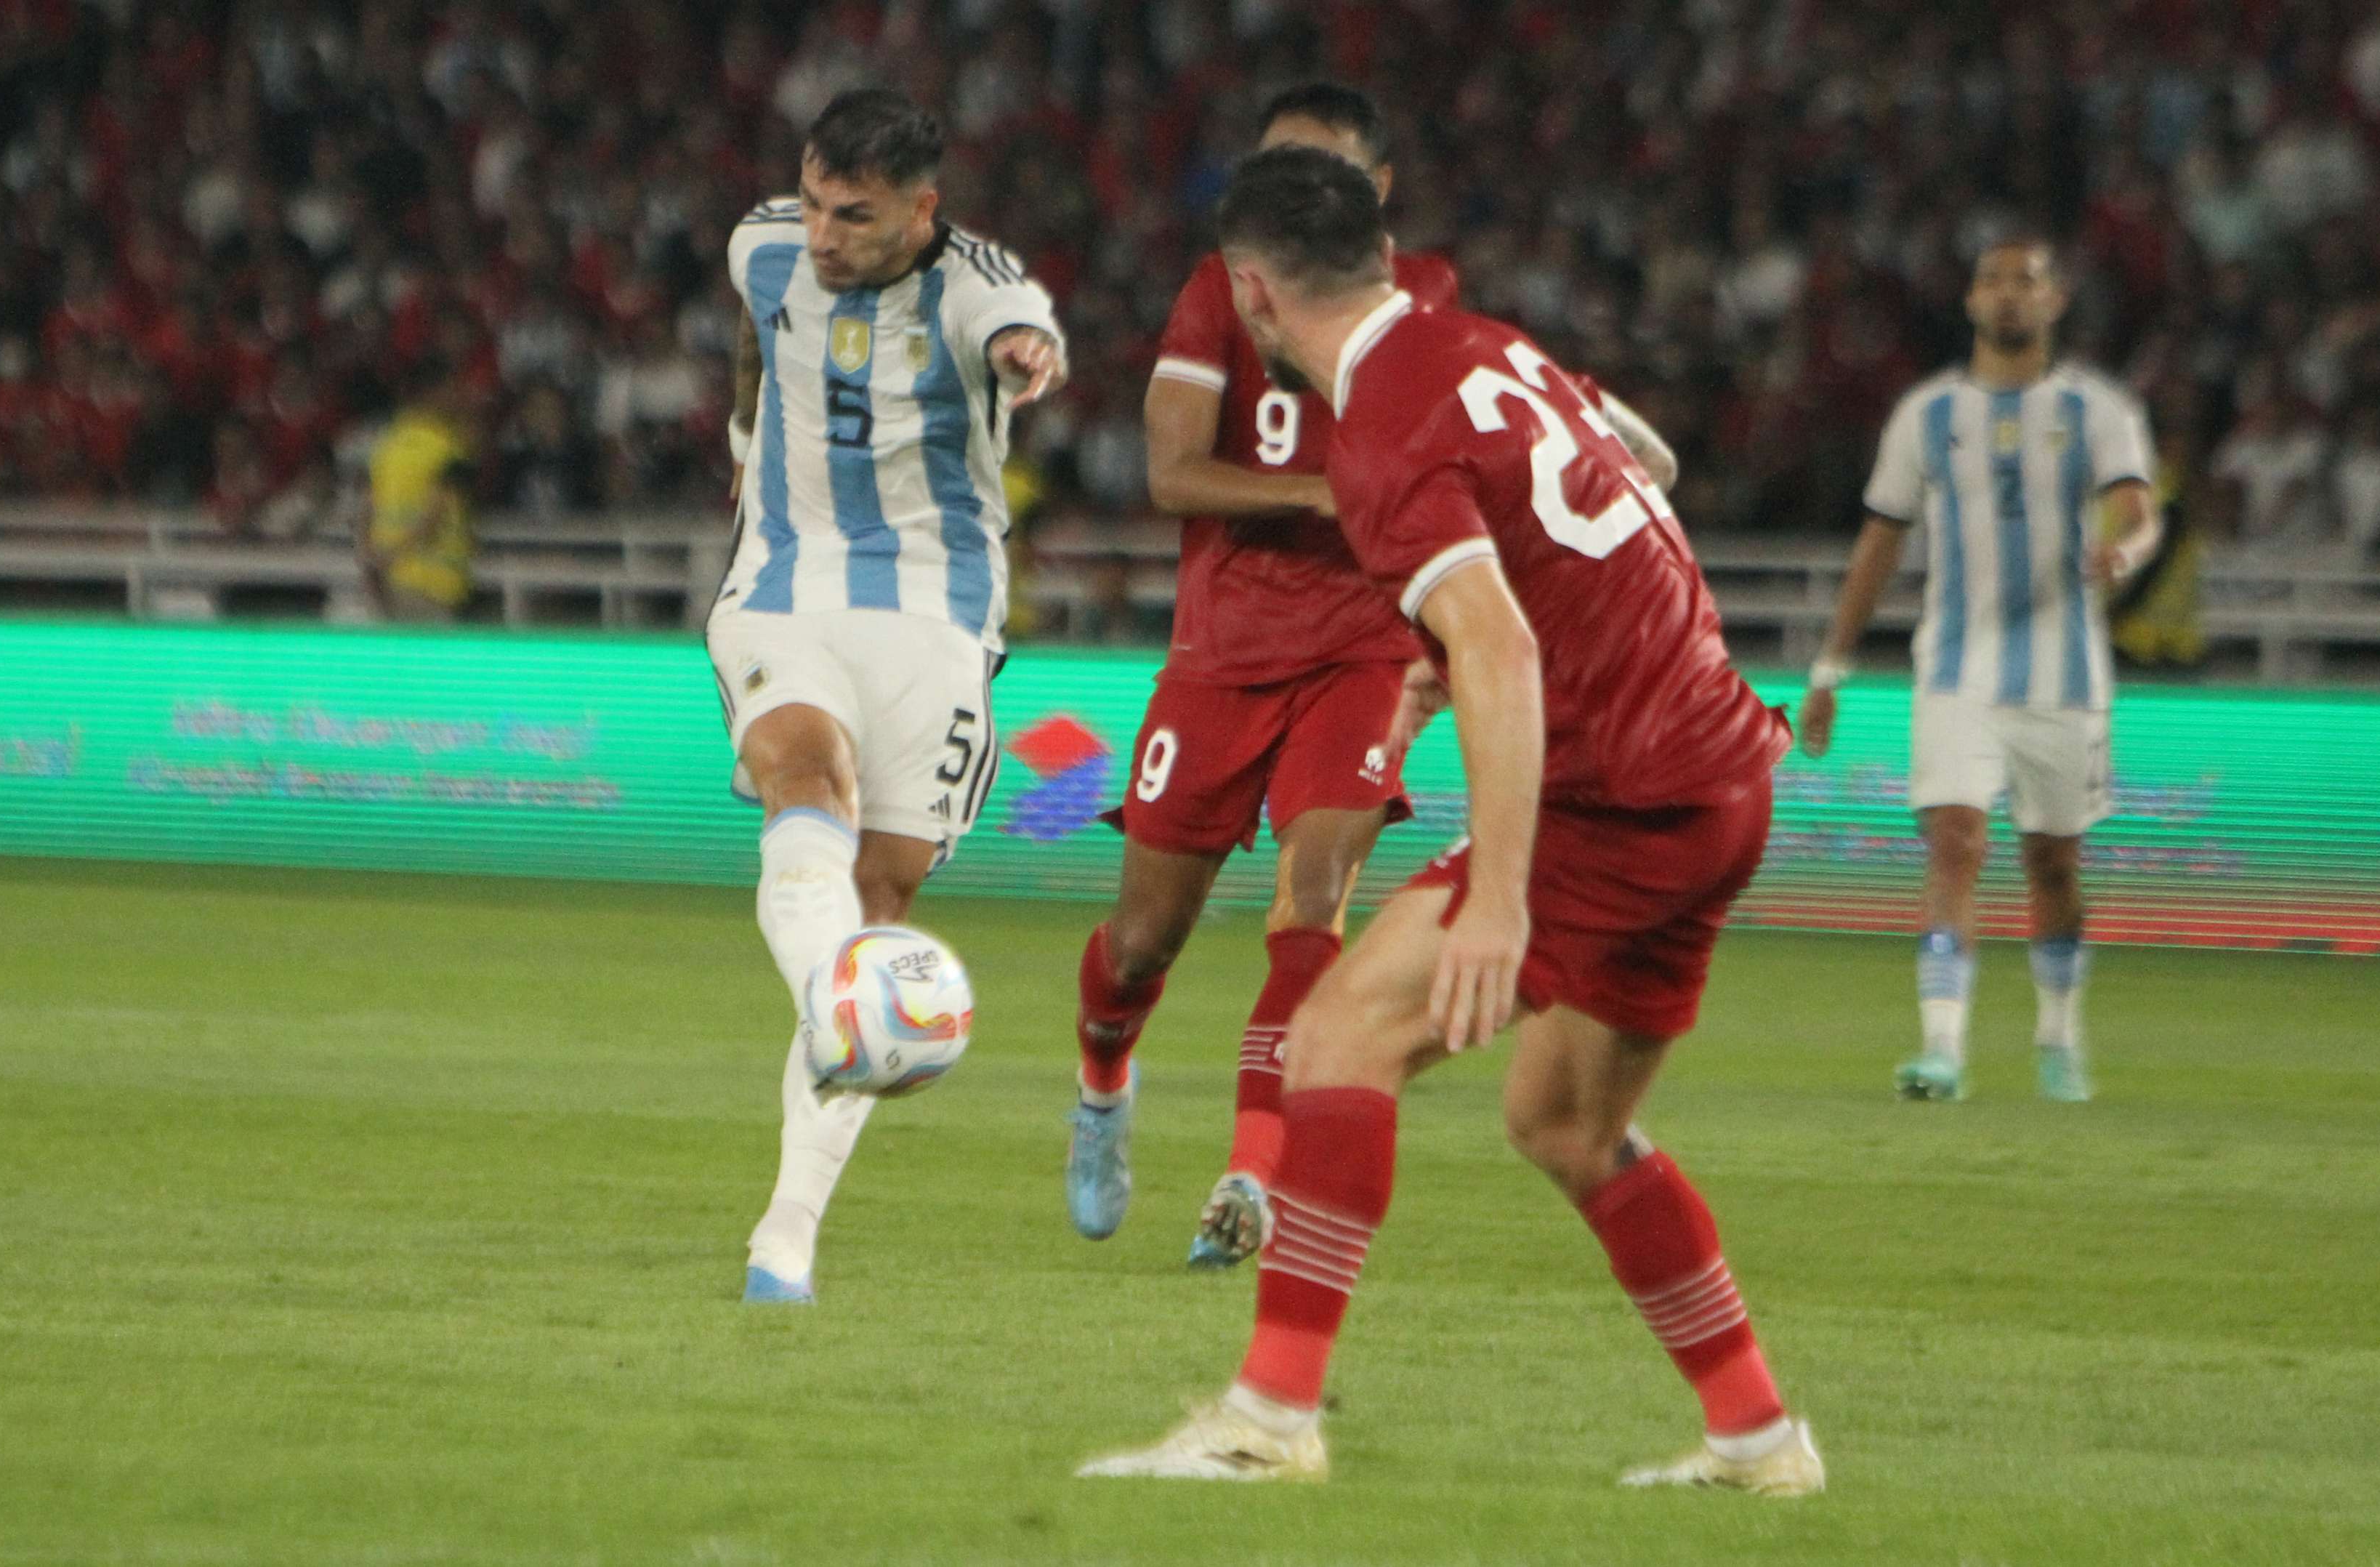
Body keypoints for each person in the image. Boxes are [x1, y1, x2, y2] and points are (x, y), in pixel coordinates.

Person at [1081, 148, 1819, 1494]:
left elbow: (1504, 649)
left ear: (1251, 292)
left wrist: (1500, 894)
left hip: (1622, 798)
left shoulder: (1381, 432)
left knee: (1336, 1034)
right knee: (1563, 1122)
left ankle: (1268, 1420)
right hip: (1722, 772)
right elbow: (1636, 478)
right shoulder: (1483, 346)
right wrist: (1470, 648)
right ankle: (1762, 1438)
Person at [1060, 84, 1461, 1262]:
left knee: (1313, 901)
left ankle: (1252, 1175)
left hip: (1364, 645)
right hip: (1222, 653)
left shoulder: (1420, 293)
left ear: (1375, 191)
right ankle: (1102, 1082)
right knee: (1140, 947)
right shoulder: (1214, 291)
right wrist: (1328, 493)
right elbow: (1175, 475)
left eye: (1319, 171)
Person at [713, 88, 1066, 1305]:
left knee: (877, 897)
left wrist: (1029, 356)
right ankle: (839, 1005)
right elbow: (755, 341)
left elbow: (1023, 327)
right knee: (801, 780)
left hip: (938, 616)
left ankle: (784, 1234)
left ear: (922, 209)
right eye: (813, 202)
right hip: (784, 591)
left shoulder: (977, 284)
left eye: (853, 217)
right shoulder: (762, 247)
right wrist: (740, 442)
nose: (821, 236)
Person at [1796, 238, 2162, 1104]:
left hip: (2063, 677)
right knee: (1956, 841)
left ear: (2055, 301)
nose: (2009, 297)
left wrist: (2126, 553)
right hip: (1956, 669)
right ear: (1970, 300)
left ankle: (2058, 1035)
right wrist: (1830, 667)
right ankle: (1942, 1050)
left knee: (2054, 865)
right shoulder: (1926, 415)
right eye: (1994, 281)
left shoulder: (2096, 409)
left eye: (2026, 282)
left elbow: (2138, 512)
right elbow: (1879, 541)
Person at [363, 361, 481, 622]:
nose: (461, 396)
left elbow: (367, 509)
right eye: (454, 389)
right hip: (437, 584)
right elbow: (434, 518)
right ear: (435, 393)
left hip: (391, 580)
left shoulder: (388, 443)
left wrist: (373, 563)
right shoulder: (450, 448)